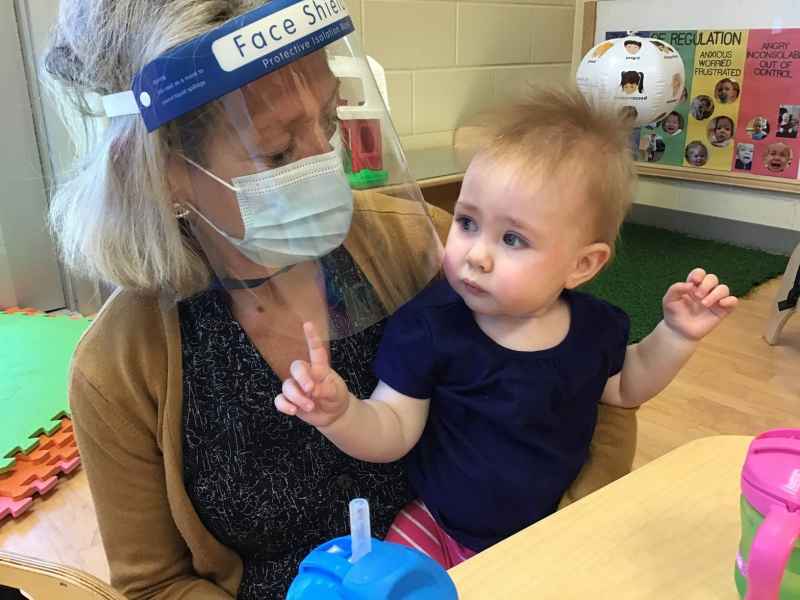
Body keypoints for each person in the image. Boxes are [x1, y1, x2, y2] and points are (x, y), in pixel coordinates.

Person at [43, 2, 638, 598]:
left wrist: (560, 542)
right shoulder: (120, 369)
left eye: (328, 124)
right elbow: (156, 585)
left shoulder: (418, 250)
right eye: (277, 153)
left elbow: (588, 379)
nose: (324, 165)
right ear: (167, 171)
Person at [275, 87, 738, 568]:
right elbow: (392, 430)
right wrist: (340, 414)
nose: (476, 254)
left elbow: (625, 387)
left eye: (512, 238)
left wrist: (678, 336)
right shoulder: (430, 327)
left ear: (581, 265)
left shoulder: (595, 328)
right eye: (468, 222)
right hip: (437, 526)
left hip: (551, 532)